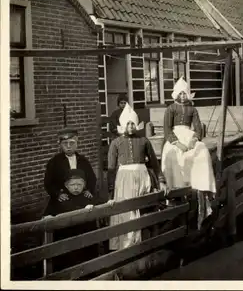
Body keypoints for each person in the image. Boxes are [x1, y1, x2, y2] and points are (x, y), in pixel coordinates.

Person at [107, 102, 166, 250]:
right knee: (126, 210)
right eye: (127, 124)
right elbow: (111, 168)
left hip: (141, 176)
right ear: (122, 125)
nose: (130, 127)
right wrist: (110, 190)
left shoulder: (144, 141)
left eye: (133, 124)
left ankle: (144, 243)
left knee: (143, 207)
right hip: (124, 179)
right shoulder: (115, 143)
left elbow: (154, 162)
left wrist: (161, 180)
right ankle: (125, 245)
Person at [161, 77, 216, 229]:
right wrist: (177, 143)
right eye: (180, 94)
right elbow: (166, 129)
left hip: (188, 134)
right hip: (175, 137)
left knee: (202, 151)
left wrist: (194, 140)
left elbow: (198, 128)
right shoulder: (170, 109)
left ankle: (200, 183)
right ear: (176, 95)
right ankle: (177, 186)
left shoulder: (193, 109)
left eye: (185, 94)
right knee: (172, 153)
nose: (183, 97)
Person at [43, 169, 101, 272]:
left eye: (79, 184)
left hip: (86, 237)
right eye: (72, 184)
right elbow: (47, 215)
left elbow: (101, 207)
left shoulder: (87, 196)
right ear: (66, 185)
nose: (76, 187)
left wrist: (95, 207)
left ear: (84, 185)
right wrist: (49, 218)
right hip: (66, 237)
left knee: (88, 261)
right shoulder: (60, 198)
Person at [43, 128, 97, 215]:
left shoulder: (83, 161)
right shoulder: (54, 162)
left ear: (77, 144)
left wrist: (89, 190)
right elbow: (48, 182)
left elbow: (92, 178)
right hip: (63, 198)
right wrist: (58, 194)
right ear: (60, 145)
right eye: (65, 143)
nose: (68, 146)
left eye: (72, 143)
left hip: (81, 196)